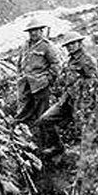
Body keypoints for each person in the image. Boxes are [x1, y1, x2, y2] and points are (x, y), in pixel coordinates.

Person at [35, 30, 98, 145]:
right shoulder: (70, 61)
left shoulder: (87, 60)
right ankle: (57, 146)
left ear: (79, 43)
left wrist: (78, 90)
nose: (70, 47)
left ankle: (89, 155)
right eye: (68, 45)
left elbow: (94, 80)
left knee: (84, 129)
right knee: (45, 120)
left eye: (72, 44)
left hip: (82, 101)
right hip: (66, 100)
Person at [14, 16, 63, 156]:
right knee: (23, 114)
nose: (33, 33)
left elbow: (56, 65)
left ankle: (50, 146)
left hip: (40, 85)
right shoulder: (25, 45)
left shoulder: (47, 46)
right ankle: (25, 143)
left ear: (41, 31)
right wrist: (20, 76)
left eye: (36, 30)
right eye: (31, 31)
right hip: (25, 85)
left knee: (43, 115)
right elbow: (20, 63)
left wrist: (47, 80)